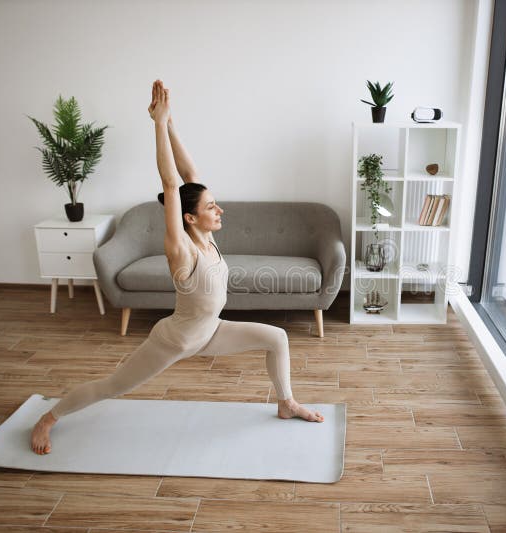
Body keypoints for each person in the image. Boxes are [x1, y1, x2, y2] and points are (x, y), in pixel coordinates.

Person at [30, 80, 323, 455]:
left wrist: (169, 123)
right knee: (113, 387)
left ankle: (286, 403)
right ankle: (49, 418)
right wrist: (156, 127)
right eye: (211, 207)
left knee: (277, 338)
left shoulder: (208, 238)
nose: (220, 210)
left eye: (216, 204)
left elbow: (189, 175)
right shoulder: (181, 250)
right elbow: (172, 184)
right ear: (189, 217)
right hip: (175, 341)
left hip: (211, 331)